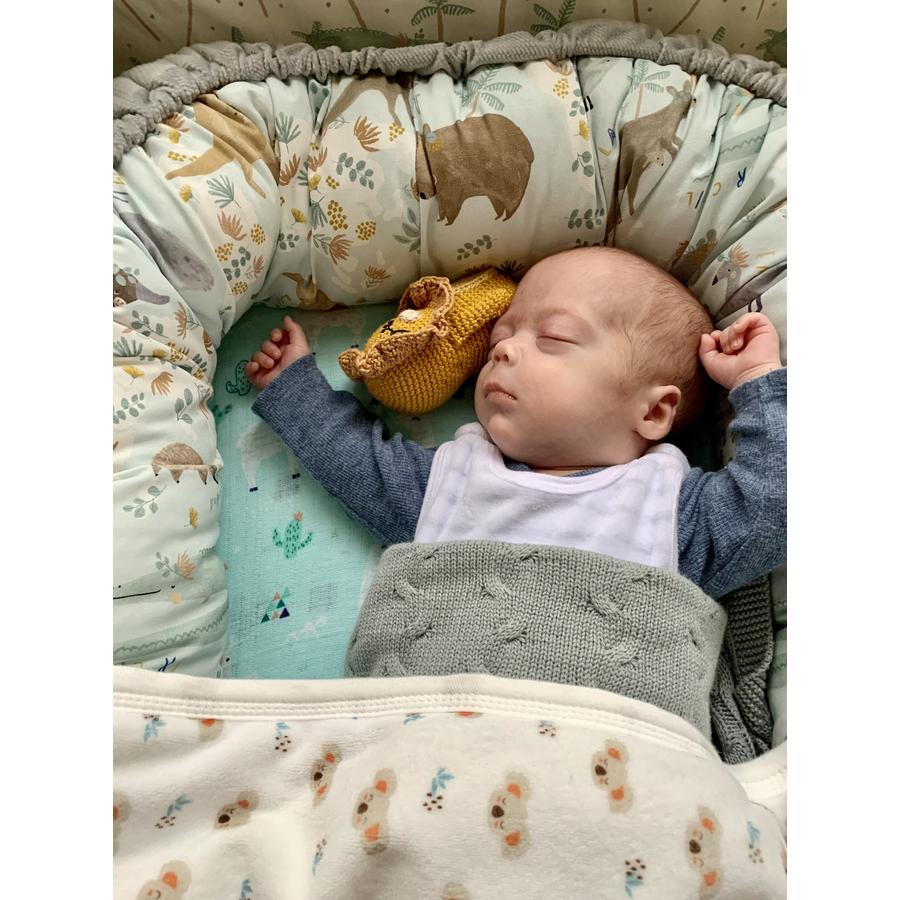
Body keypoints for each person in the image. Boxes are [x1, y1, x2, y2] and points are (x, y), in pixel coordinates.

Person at [243, 246, 785, 733]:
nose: (503, 351)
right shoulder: (455, 481)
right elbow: (358, 463)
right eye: (501, 338)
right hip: (432, 745)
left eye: (554, 338)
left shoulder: (670, 511)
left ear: (653, 411)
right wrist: (296, 390)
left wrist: (756, 381)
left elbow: (776, 504)